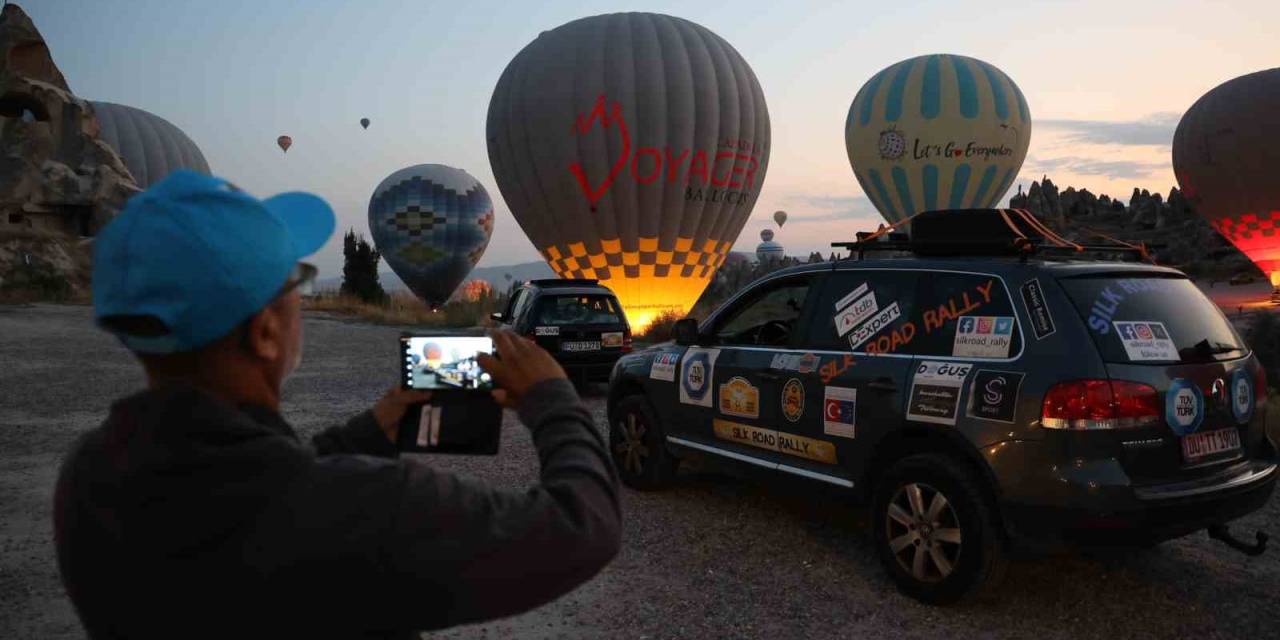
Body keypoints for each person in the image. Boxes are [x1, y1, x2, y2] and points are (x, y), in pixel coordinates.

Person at [53, 171, 621, 639]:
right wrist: (552, 398)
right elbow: (582, 528)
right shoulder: (368, 507)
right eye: (294, 286)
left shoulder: (91, 474)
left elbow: (258, 489)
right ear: (265, 333)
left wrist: (372, 431)